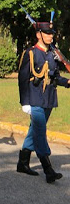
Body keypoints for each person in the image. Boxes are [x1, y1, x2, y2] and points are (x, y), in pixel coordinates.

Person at [17, 18, 69, 183]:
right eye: (47, 33)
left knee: (34, 131)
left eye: (51, 33)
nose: (50, 36)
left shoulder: (52, 53)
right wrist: (24, 102)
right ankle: (48, 169)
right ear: (39, 34)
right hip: (34, 99)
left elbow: (54, 77)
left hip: (48, 99)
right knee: (40, 132)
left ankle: (22, 163)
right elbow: (22, 78)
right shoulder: (31, 53)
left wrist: (67, 82)